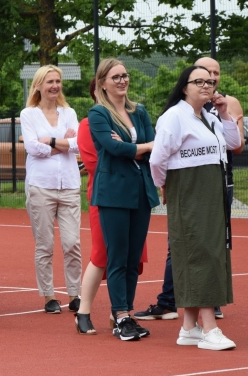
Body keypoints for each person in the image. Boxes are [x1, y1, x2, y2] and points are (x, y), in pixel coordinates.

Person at [134, 57, 244, 322]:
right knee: (196, 251)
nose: (207, 85)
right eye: (199, 81)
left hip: (213, 192)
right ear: (185, 87)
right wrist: (165, 185)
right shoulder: (174, 116)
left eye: (210, 81)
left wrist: (224, 113)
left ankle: (190, 325)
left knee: (211, 250)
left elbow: (233, 143)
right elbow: (158, 159)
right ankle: (204, 323)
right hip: (189, 192)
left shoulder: (209, 116)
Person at [88, 58, 160, 341]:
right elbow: (113, 148)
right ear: (103, 83)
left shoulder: (138, 111)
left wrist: (134, 147)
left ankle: (127, 313)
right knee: (117, 257)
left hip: (140, 191)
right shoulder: (98, 113)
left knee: (133, 258)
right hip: (113, 194)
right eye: (115, 77)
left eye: (124, 75)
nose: (122, 81)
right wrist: (140, 147)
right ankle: (120, 317)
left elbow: (154, 146)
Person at [75, 78, 148, 335]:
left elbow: (144, 149)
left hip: (134, 192)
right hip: (107, 195)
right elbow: (97, 162)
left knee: (132, 255)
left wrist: (127, 149)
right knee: (102, 255)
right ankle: (83, 312)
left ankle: (120, 312)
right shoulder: (89, 123)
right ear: (98, 91)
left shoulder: (133, 115)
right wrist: (132, 150)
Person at [20, 65, 82, 315]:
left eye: (58, 81)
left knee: (72, 243)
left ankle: (75, 294)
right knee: (44, 245)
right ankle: (49, 296)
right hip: (41, 187)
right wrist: (64, 143)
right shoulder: (28, 114)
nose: (55, 86)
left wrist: (51, 141)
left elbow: (79, 145)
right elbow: (32, 148)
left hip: (69, 186)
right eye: (50, 82)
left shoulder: (69, 112)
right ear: (38, 85)